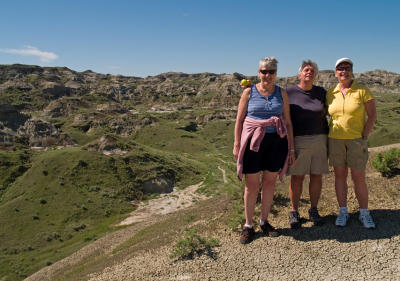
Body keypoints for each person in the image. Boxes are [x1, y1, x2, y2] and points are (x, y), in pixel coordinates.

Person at [233, 57, 295, 244]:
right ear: (258, 73)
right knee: (251, 185)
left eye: (271, 71)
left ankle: (264, 221)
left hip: (276, 141)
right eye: (264, 71)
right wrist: (237, 144)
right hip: (253, 141)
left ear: (276, 73)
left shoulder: (281, 93)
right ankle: (248, 225)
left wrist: (291, 148)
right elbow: (239, 120)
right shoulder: (248, 92)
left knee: (269, 182)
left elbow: (288, 122)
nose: (267, 75)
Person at [326, 58, 377, 228]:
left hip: (356, 141)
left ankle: (364, 213)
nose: (344, 71)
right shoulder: (330, 92)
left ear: (352, 71)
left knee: (358, 177)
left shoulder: (362, 90)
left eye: (347, 68)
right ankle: (343, 211)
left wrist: (364, 136)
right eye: (340, 68)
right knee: (339, 177)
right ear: (335, 72)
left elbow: (372, 116)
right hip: (335, 140)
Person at [286, 60, 329, 229]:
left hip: (319, 139)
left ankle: (313, 210)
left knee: (316, 175)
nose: (309, 72)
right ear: (300, 74)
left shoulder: (321, 92)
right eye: (306, 70)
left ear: (316, 75)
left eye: (312, 70)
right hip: (298, 140)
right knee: (297, 177)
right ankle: (294, 211)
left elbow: (328, 110)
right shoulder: (289, 91)